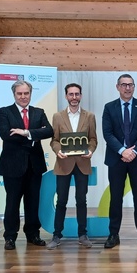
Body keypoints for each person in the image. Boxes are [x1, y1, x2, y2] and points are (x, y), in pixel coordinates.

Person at [0, 80, 53, 250]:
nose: (23, 97)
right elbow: (6, 135)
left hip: (34, 165)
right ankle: (10, 237)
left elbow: (49, 131)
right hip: (12, 165)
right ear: (14, 94)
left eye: (26, 93)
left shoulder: (38, 112)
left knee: (33, 201)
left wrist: (26, 132)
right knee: (12, 202)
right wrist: (33, 137)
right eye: (19, 93)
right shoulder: (4, 112)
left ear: (30, 93)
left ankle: (33, 234)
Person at [101, 74, 137, 249]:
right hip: (116, 159)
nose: (127, 88)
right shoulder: (109, 108)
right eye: (124, 85)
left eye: (130, 85)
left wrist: (134, 151)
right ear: (117, 87)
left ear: (134, 87)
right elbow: (107, 134)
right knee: (116, 198)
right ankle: (113, 233)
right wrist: (123, 151)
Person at [47, 83, 98, 250]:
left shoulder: (89, 116)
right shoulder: (57, 116)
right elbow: (54, 140)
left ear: (81, 96)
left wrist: (90, 150)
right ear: (66, 96)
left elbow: (93, 139)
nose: (74, 97)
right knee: (61, 201)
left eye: (77, 94)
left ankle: (82, 235)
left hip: (82, 163)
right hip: (63, 163)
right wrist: (58, 150)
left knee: (81, 200)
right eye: (71, 94)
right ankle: (56, 235)